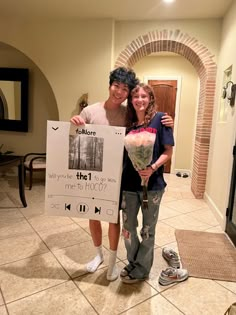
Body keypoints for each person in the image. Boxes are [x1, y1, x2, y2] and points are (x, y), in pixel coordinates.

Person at [70, 67, 174, 281]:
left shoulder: (138, 115)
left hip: (133, 179)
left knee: (126, 222)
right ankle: (108, 257)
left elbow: (160, 139)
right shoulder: (99, 112)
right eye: (116, 86)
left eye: (125, 89)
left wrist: (168, 122)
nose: (120, 92)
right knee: (107, 219)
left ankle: (126, 264)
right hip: (104, 176)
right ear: (110, 85)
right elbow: (77, 138)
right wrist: (75, 122)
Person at [120, 83, 176, 284]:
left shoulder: (161, 119)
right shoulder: (127, 122)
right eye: (136, 96)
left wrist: (152, 167)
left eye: (144, 96)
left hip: (152, 186)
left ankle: (142, 269)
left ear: (150, 98)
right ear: (131, 100)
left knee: (147, 229)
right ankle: (132, 262)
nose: (140, 100)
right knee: (128, 227)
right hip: (128, 184)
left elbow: (168, 151)